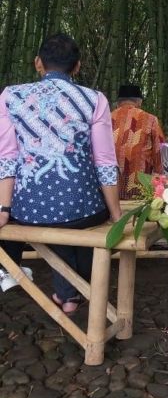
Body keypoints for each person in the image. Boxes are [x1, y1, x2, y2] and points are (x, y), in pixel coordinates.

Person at [0, 33, 121, 313]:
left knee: (53, 215)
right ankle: (72, 295)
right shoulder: (94, 99)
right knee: (80, 217)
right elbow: (104, 161)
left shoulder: (10, 96)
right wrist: (116, 214)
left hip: (28, 211)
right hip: (82, 210)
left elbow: (6, 157)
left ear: (38, 63)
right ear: (77, 66)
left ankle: (66, 294)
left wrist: (4, 209)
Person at [112, 84, 165, 199]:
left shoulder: (107, 119)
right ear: (139, 102)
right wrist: (160, 180)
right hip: (140, 187)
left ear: (118, 102)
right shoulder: (150, 119)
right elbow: (159, 152)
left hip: (111, 189)